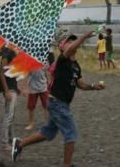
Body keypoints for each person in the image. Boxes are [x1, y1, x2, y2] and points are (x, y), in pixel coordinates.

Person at [11, 31, 106, 166]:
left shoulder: (75, 65)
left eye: (74, 40)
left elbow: (79, 83)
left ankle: (20, 144)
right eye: (70, 41)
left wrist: (93, 86)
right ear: (62, 46)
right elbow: (71, 49)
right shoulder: (63, 59)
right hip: (57, 103)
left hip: (59, 104)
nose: (73, 43)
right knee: (71, 134)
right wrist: (83, 36)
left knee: (48, 133)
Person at [26, 52, 53, 130]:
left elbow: (47, 73)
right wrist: (25, 88)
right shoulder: (30, 60)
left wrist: (49, 83)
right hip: (32, 88)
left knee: (46, 106)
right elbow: (27, 74)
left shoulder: (45, 60)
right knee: (31, 107)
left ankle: (48, 123)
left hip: (43, 86)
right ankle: (31, 123)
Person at [0, 49, 20, 150]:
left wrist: (17, 88)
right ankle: (4, 143)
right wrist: (6, 90)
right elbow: (1, 73)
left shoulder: (14, 54)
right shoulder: (7, 54)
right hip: (9, 89)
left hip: (13, 88)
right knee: (8, 116)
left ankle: (10, 139)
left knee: (11, 116)